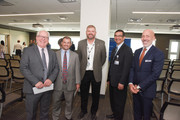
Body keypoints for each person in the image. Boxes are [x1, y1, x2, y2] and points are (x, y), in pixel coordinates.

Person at [20, 30, 59, 120]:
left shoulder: (52, 53)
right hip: (32, 88)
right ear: (36, 38)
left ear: (48, 40)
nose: (43, 39)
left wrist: (50, 79)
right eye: (41, 36)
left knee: (45, 113)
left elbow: (56, 68)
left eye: (46, 37)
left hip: (47, 88)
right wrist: (35, 82)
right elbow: (23, 68)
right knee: (31, 114)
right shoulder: (28, 51)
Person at [129, 29, 164, 120]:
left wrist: (139, 87)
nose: (144, 38)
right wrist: (131, 83)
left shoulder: (158, 53)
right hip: (134, 89)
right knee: (136, 112)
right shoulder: (137, 52)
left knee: (146, 115)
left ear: (153, 38)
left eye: (147, 36)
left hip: (147, 91)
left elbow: (155, 74)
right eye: (143, 36)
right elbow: (132, 68)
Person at [77, 25, 106, 120]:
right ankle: (83, 110)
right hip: (84, 72)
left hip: (96, 73)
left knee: (95, 95)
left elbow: (103, 58)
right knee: (83, 94)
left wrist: (97, 66)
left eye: (92, 31)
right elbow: (79, 58)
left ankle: (94, 112)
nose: (90, 32)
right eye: (89, 31)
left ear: (95, 32)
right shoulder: (80, 43)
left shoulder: (101, 43)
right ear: (86, 32)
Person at [52, 36, 81, 120]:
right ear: (61, 43)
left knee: (69, 102)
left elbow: (77, 70)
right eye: (64, 42)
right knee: (56, 102)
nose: (66, 44)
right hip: (57, 83)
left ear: (71, 44)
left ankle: (68, 116)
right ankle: (55, 117)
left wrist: (78, 82)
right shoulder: (55, 54)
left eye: (68, 42)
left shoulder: (75, 55)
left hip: (70, 83)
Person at [106, 30, 133, 120]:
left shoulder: (127, 50)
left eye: (119, 36)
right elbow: (112, 65)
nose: (117, 37)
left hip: (120, 82)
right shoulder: (115, 48)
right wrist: (108, 79)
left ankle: (118, 117)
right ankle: (115, 114)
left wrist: (122, 82)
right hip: (112, 81)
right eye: (115, 36)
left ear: (123, 37)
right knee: (113, 100)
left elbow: (126, 68)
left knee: (119, 102)